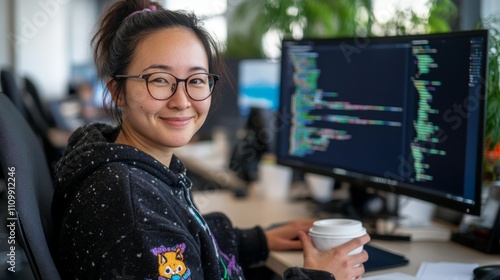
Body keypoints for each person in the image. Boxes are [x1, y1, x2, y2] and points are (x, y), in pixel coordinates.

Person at [51, 1, 370, 279]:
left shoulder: (130, 165)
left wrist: (257, 241)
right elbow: (150, 233)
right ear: (117, 90)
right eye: (159, 80)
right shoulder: (130, 205)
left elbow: (178, 232)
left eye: (197, 80)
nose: (181, 100)